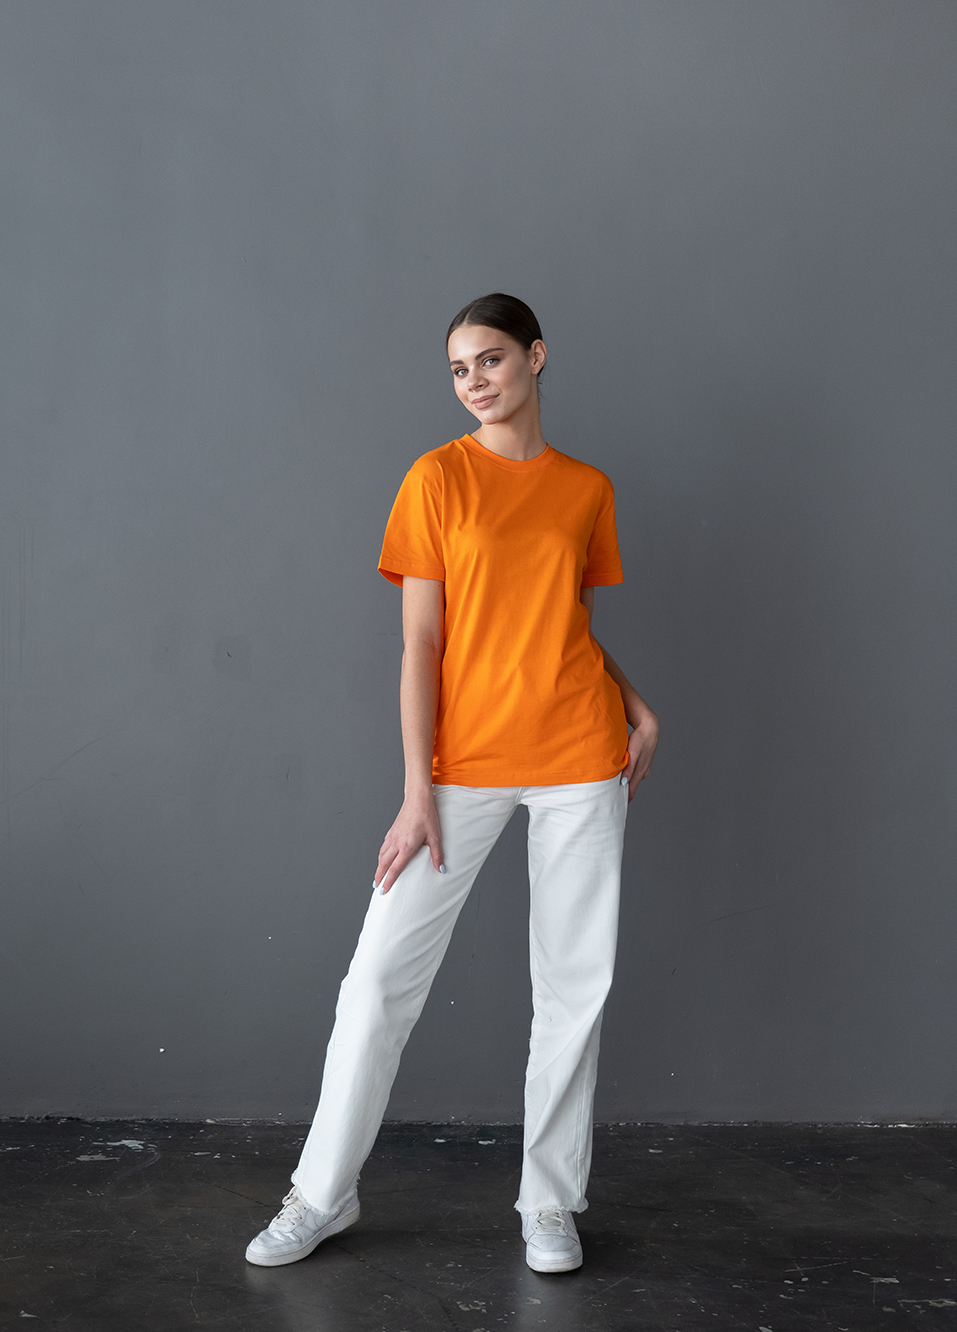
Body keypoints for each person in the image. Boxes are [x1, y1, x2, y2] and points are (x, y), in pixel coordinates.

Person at [245, 293, 659, 1273]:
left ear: (536, 357)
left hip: (578, 755)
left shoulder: (585, 489)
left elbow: (559, 625)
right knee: (376, 983)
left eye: (490, 360)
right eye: (459, 369)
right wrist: (414, 790)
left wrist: (636, 703)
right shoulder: (436, 479)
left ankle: (549, 1205)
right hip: (461, 765)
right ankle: (321, 1195)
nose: (474, 381)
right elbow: (422, 642)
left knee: (573, 990)